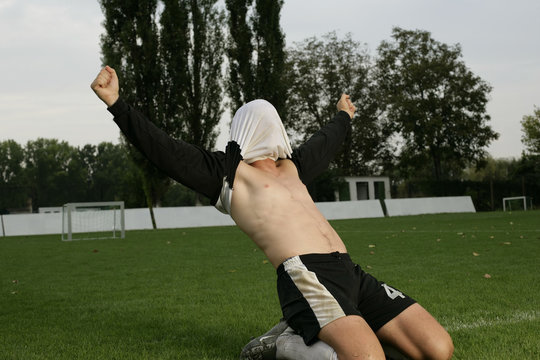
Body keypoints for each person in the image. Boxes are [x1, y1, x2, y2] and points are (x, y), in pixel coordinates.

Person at [91, 66, 454, 360]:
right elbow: (165, 150)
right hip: (306, 276)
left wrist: (343, 116)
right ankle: (284, 345)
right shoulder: (228, 175)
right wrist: (116, 103)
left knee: (438, 349)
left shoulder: (293, 167)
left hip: (350, 271)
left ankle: (316, 332)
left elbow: (323, 143)